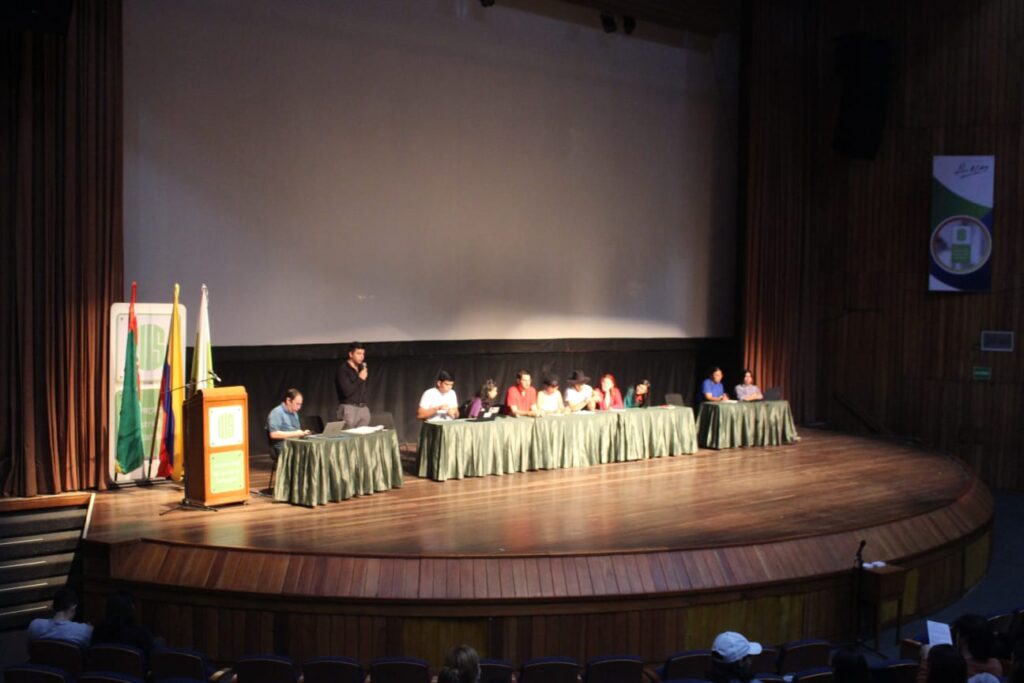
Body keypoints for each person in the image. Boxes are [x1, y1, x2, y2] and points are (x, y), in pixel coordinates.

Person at [92, 590, 160, 659]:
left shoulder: (98, 631)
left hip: (102, 669)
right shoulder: (141, 633)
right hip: (134, 669)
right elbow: (151, 659)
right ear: (132, 609)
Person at [27, 587, 92, 649]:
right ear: (73, 608)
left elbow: (31, 651)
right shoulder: (85, 630)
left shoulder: (34, 625)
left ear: (52, 607)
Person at [267, 389, 310, 463]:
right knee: (308, 455)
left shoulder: (294, 413)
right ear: (288, 401)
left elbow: (296, 431)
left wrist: (302, 433)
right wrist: (295, 433)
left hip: (295, 445)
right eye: (297, 404)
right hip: (284, 448)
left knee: (314, 452)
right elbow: (273, 434)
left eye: (300, 404)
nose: (299, 407)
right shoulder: (277, 412)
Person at [335, 341, 370, 427]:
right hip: (349, 408)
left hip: (363, 408)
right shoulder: (343, 370)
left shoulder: (361, 368)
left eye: (363, 354)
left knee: (362, 438)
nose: (362, 357)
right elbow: (346, 392)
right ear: (351, 354)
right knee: (349, 437)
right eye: (358, 353)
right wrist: (360, 379)